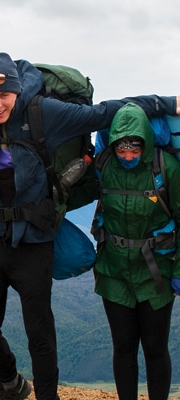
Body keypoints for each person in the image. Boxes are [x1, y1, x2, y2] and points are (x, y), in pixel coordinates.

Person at [0, 51, 180, 400]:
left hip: (34, 236)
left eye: (3, 96)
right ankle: (11, 382)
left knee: (40, 332)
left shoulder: (44, 113)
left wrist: (167, 102)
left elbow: (106, 112)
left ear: (17, 92)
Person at [91, 103, 180, 400]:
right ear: (114, 144)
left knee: (155, 348)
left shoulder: (166, 168)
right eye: (122, 150)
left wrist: (179, 271)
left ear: (145, 143)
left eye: (135, 150)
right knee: (124, 347)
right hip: (113, 272)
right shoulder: (103, 166)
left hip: (157, 273)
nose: (128, 156)